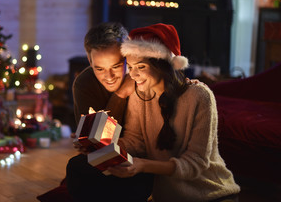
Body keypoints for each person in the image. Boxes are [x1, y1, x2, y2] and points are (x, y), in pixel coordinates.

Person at [107, 23, 241, 202]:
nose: (133, 75)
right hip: (166, 196)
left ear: (162, 65)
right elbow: (136, 141)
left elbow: (196, 163)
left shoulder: (200, 96)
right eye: (130, 67)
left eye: (140, 67)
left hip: (211, 194)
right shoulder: (139, 95)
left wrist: (143, 165)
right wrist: (103, 146)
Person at [66, 22, 154, 202]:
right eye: (99, 68)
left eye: (115, 66)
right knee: (76, 168)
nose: (109, 76)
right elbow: (98, 141)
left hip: (144, 156)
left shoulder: (142, 75)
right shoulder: (85, 83)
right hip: (109, 154)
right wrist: (120, 94)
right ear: (90, 62)